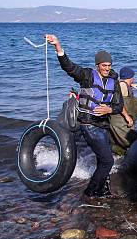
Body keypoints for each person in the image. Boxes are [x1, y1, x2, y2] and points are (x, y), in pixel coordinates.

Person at [46, 34, 123, 203]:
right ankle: (91, 192)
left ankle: (104, 190)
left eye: (109, 65)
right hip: (89, 124)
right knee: (108, 161)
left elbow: (119, 106)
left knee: (102, 159)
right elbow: (69, 67)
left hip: (104, 125)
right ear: (97, 65)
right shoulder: (87, 76)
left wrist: (109, 109)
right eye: (104, 65)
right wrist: (58, 46)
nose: (107, 68)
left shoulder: (113, 81)